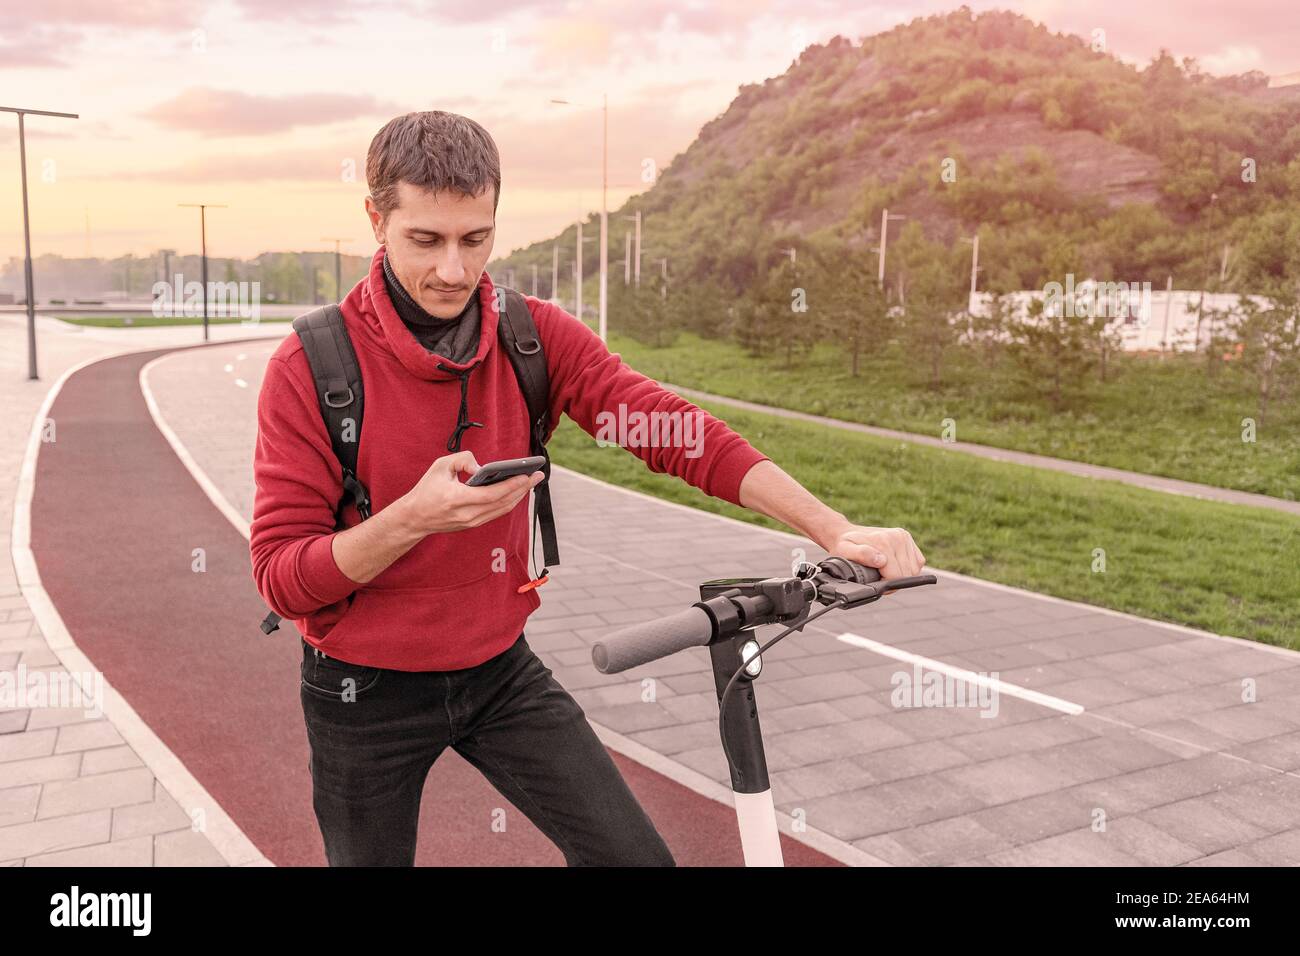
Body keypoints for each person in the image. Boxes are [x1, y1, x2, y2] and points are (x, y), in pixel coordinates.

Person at [249, 110, 926, 867]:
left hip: (497, 670)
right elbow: (282, 579)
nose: (453, 270)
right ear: (376, 219)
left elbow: (673, 429)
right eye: (425, 240)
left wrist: (832, 529)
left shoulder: (530, 336)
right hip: (359, 691)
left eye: (476, 239)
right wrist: (410, 520)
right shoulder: (312, 366)